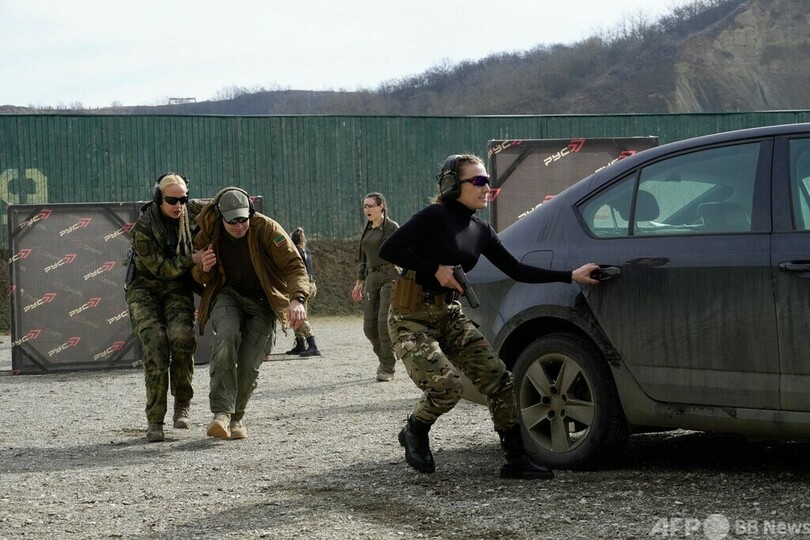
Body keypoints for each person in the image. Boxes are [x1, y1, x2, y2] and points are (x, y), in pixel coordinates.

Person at [379, 154, 600, 478]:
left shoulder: (480, 230)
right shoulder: (433, 217)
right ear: (454, 185)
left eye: (487, 181)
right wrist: (434, 269)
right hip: (410, 317)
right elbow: (389, 249)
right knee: (447, 386)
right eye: (478, 181)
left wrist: (571, 275)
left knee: (499, 378)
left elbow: (517, 269)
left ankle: (515, 460)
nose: (487, 187)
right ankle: (415, 429)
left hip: (448, 313)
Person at [191, 187, 309, 440]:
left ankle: (236, 418)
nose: (238, 225)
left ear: (251, 213)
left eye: (243, 218)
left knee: (249, 362)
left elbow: (294, 265)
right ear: (221, 216)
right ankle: (221, 414)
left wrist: (297, 299)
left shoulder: (267, 229)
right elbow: (198, 275)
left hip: (263, 301)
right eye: (232, 220)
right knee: (226, 338)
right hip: (227, 294)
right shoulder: (209, 232)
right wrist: (203, 267)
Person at [125, 172, 206, 442]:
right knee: (156, 343)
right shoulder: (144, 228)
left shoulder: (191, 212)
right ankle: (155, 419)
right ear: (159, 198)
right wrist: (192, 258)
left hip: (176, 289)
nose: (179, 205)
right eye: (172, 200)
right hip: (145, 289)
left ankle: (182, 402)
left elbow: (222, 211)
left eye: (183, 199)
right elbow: (160, 268)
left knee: (182, 337)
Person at [351, 192, 400, 381]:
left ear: (381, 206)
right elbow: (363, 259)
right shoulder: (368, 229)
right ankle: (385, 357)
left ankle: (388, 368)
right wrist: (359, 282)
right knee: (369, 327)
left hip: (390, 276)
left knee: (383, 323)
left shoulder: (392, 227)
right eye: (365, 206)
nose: (367, 210)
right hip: (371, 278)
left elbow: (402, 250)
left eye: (371, 206)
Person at [284, 227, 321, 357]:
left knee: (299, 315)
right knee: (297, 313)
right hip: (311, 285)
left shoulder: (295, 252)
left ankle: (312, 344)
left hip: (303, 286)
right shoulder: (307, 251)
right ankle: (300, 343)